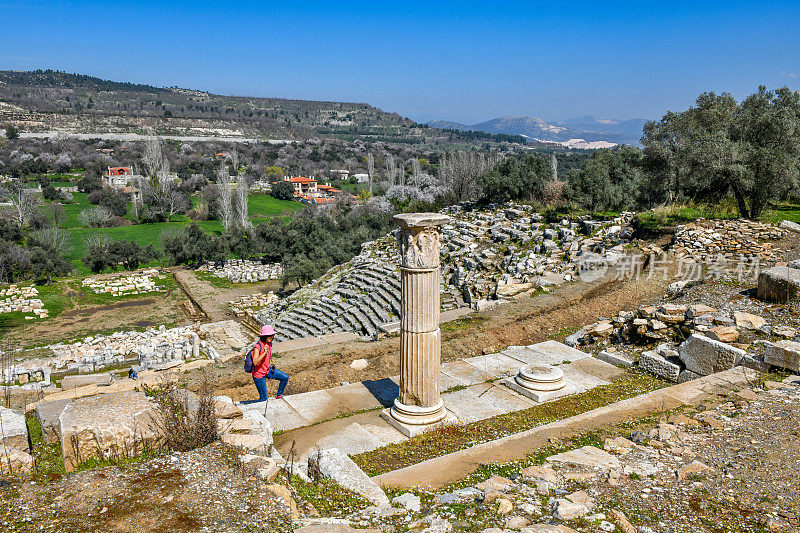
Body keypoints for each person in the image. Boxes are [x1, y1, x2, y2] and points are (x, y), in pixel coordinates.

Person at [251, 325, 289, 400]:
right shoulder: (257, 347)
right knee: (264, 399)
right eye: (269, 336)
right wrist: (264, 353)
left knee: (285, 377)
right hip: (259, 375)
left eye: (272, 336)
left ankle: (279, 395)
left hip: (267, 370)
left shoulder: (269, 343)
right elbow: (255, 362)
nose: (271, 338)